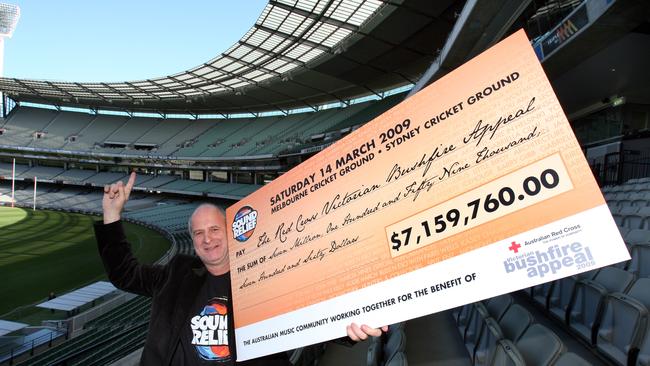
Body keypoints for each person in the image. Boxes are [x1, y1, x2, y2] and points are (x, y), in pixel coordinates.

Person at [96, 172, 385, 365]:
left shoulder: (261, 277)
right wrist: (112, 214)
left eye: (214, 229)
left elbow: (307, 312)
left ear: (231, 232)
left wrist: (350, 324)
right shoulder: (175, 273)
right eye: (198, 233)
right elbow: (125, 274)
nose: (207, 239)